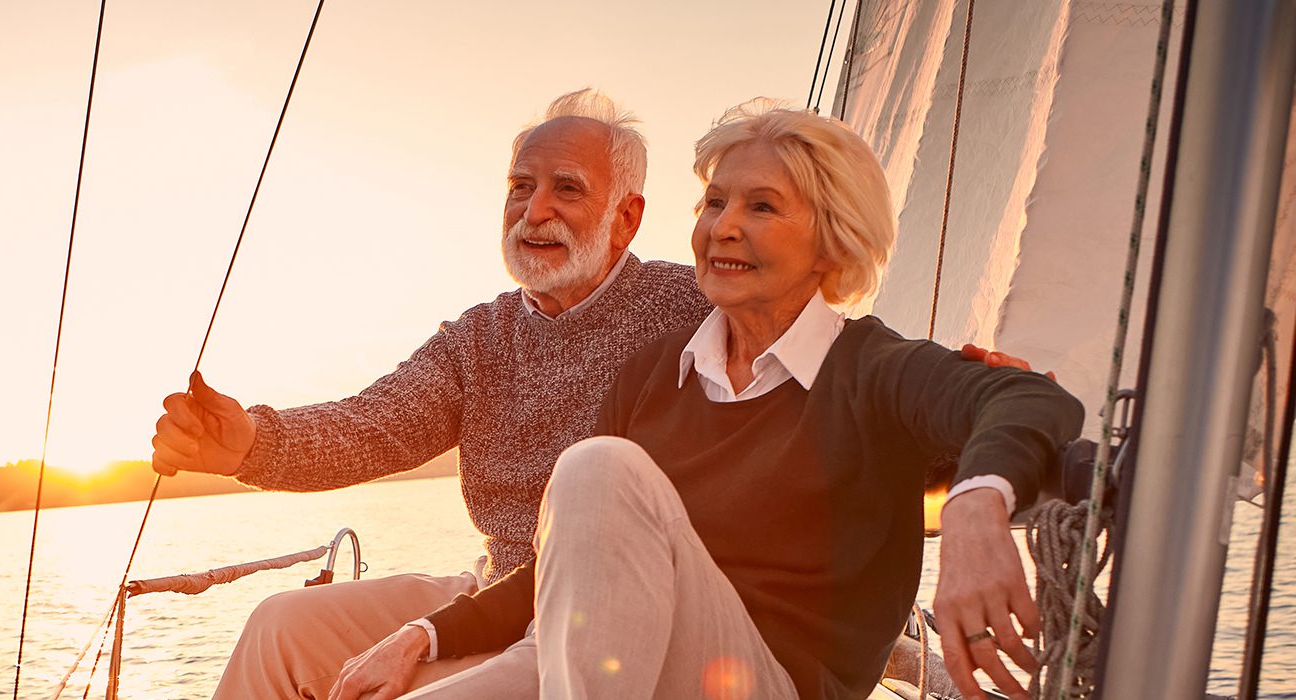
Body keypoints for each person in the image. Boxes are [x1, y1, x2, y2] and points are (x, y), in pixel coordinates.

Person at [155, 92, 1059, 700]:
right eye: (519, 187)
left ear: (627, 218)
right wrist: (247, 446)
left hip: (694, 642)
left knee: (595, 471)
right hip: (523, 595)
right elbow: (372, 425)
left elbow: (915, 403)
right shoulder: (513, 341)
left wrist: (979, 479)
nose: (533, 209)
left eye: (565, 189)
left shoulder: (712, 313)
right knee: (283, 629)